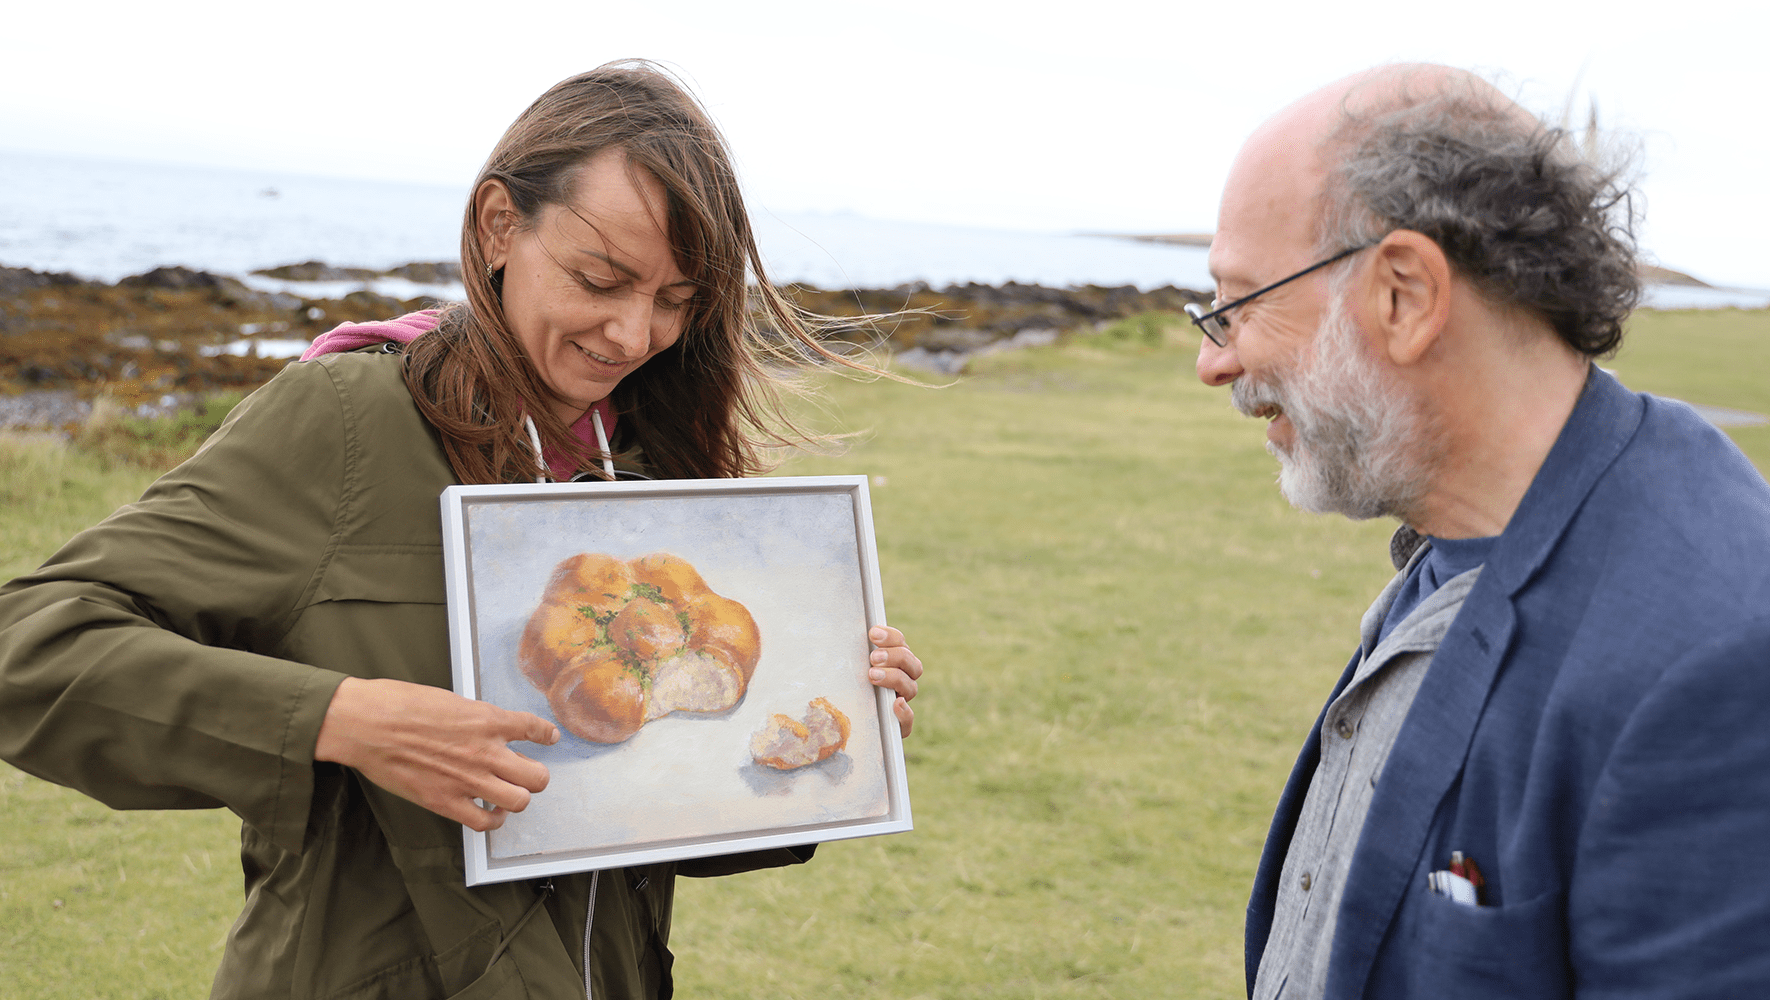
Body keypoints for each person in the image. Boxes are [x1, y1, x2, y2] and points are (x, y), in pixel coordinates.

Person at [0, 62, 923, 999]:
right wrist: (340, 720)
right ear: (497, 228)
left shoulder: (646, 468)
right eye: (599, 278)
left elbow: (630, 812)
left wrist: (820, 743)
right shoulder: (347, 419)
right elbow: (27, 648)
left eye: (677, 300)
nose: (633, 334)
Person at [1188, 64, 1770, 998]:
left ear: (1406, 295)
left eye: (1240, 300)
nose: (1214, 360)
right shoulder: (1454, 539)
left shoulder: (1716, 654)